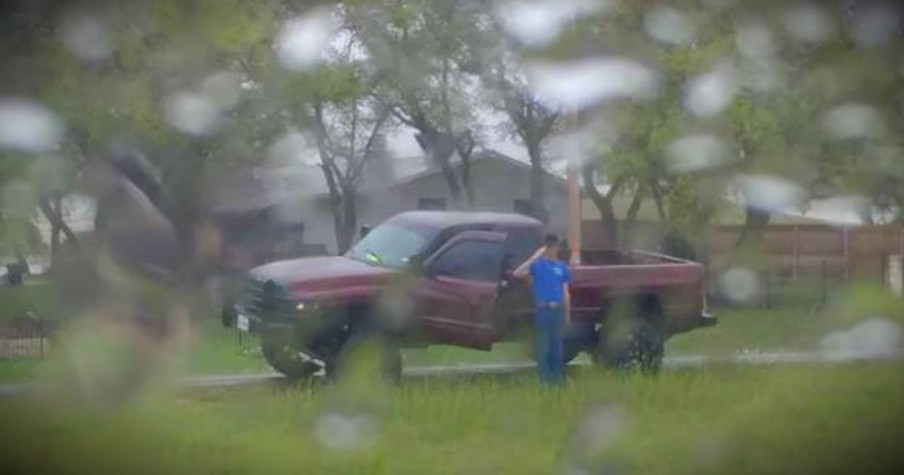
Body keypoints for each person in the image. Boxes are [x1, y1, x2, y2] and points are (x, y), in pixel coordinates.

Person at [513, 233, 571, 385]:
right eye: (549, 247)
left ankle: (557, 380)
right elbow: (518, 273)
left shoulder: (562, 267)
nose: (552, 250)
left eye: (554, 247)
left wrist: (567, 313)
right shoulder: (538, 266)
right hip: (543, 310)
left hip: (557, 310)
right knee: (543, 347)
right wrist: (534, 257)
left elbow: (565, 291)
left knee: (557, 348)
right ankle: (544, 381)